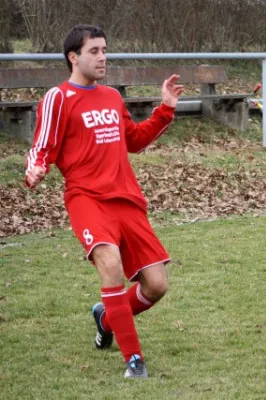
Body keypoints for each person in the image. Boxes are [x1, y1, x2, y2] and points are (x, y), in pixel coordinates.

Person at [24, 24, 184, 379]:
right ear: (73, 57)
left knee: (156, 285)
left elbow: (135, 141)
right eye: (94, 51)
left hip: (127, 199)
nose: (102, 57)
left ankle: (106, 317)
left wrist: (166, 110)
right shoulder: (59, 97)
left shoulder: (112, 96)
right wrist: (35, 167)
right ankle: (134, 361)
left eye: (104, 50)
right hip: (87, 198)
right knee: (109, 263)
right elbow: (42, 146)